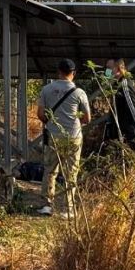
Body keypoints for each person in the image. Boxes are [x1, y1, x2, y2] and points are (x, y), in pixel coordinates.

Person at [37, 58, 91, 219]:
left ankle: (47, 205)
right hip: (74, 137)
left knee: (50, 170)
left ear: (58, 72)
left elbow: (40, 114)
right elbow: (87, 118)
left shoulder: (46, 90)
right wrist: (74, 123)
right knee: (71, 173)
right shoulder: (79, 93)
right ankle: (68, 208)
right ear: (73, 73)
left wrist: (51, 123)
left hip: (53, 136)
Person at [103, 58, 135, 148]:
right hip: (120, 129)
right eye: (106, 68)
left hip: (129, 130)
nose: (107, 71)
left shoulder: (124, 84)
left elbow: (132, 106)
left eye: (109, 68)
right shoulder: (116, 85)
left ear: (119, 69)